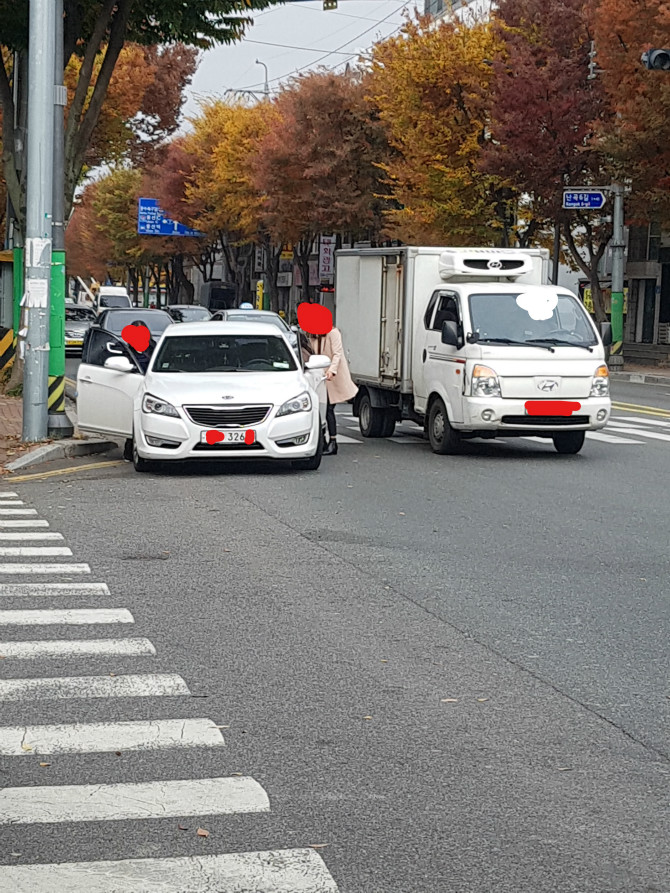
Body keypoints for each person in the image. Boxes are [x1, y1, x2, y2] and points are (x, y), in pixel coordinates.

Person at [308, 323, 358, 456]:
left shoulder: (333, 332)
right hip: (319, 377)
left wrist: (332, 370)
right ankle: (322, 440)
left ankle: (333, 441)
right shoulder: (312, 335)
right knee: (320, 409)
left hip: (332, 376)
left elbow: (337, 354)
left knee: (329, 408)